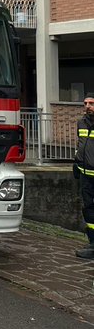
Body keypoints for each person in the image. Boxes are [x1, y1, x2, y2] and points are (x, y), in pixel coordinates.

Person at [74, 94, 94, 259]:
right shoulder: (82, 123)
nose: (87, 106)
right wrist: (76, 162)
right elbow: (81, 145)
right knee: (88, 210)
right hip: (85, 175)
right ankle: (93, 243)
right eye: (85, 103)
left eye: (91, 103)